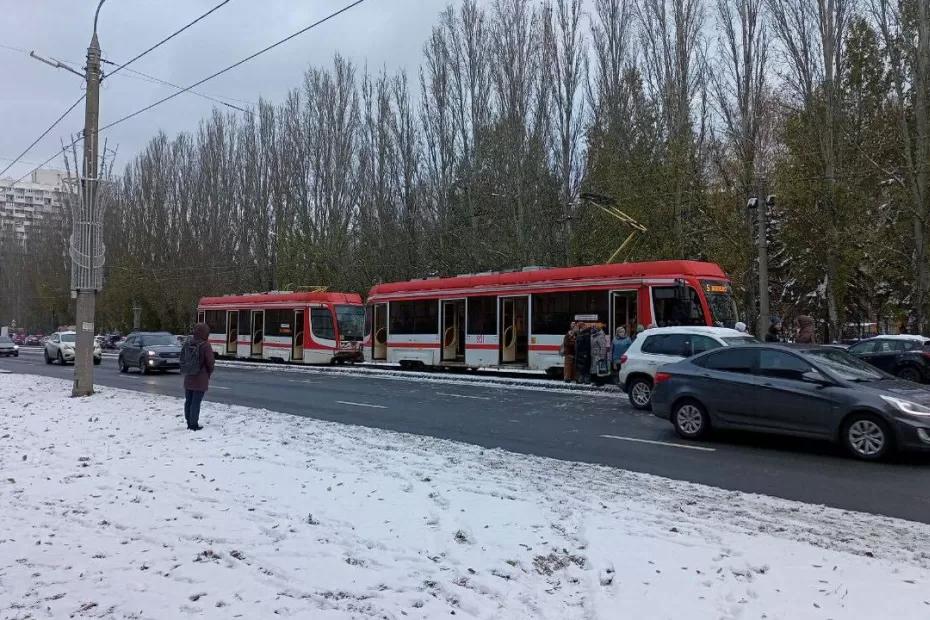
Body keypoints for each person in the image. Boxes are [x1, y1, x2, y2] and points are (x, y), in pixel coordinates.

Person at [182, 322, 215, 431]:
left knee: (189, 400)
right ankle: (193, 424)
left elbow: (182, 358)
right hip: (201, 377)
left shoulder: (188, 343)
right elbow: (210, 361)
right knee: (196, 402)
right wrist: (209, 372)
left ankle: (188, 421)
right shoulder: (205, 345)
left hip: (189, 376)